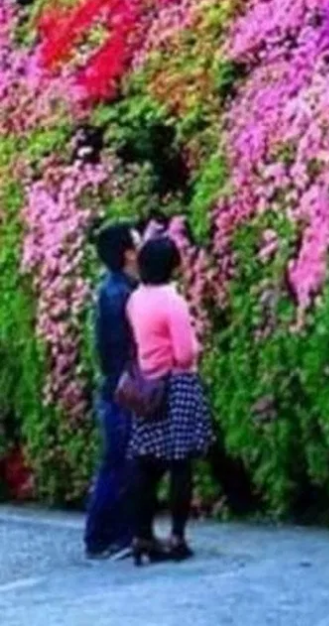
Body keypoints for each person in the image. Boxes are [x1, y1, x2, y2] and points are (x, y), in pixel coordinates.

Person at [126, 234, 212, 564]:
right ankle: (177, 537)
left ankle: (142, 536)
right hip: (176, 385)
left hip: (147, 385)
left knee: (146, 465)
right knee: (180, 464)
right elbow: (186, 353)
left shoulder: (136, 299)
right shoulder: (172, 300)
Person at [84, 221, 140, 562]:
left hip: (116, 388)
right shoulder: (120, 293)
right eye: (138, 242)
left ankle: (114, 534)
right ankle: (105, 537)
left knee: (119, 462)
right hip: (122, 390)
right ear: (127, 253)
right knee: (118, 462)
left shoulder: (116, 289)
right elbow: (120, 351)